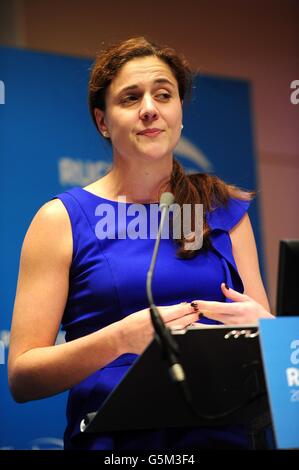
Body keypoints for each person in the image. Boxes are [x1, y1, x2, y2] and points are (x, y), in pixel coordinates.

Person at [8, 36, 274, 450]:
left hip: (227, 440)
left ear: (179, 112)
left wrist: (267, 333)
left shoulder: (223, 210)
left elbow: (273, 360)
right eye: (130, 98)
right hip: (117, 447)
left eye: (163, 94)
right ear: (102, 121)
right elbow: (23, 377)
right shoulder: (61, 219)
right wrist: (120, 339)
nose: (150, 108)